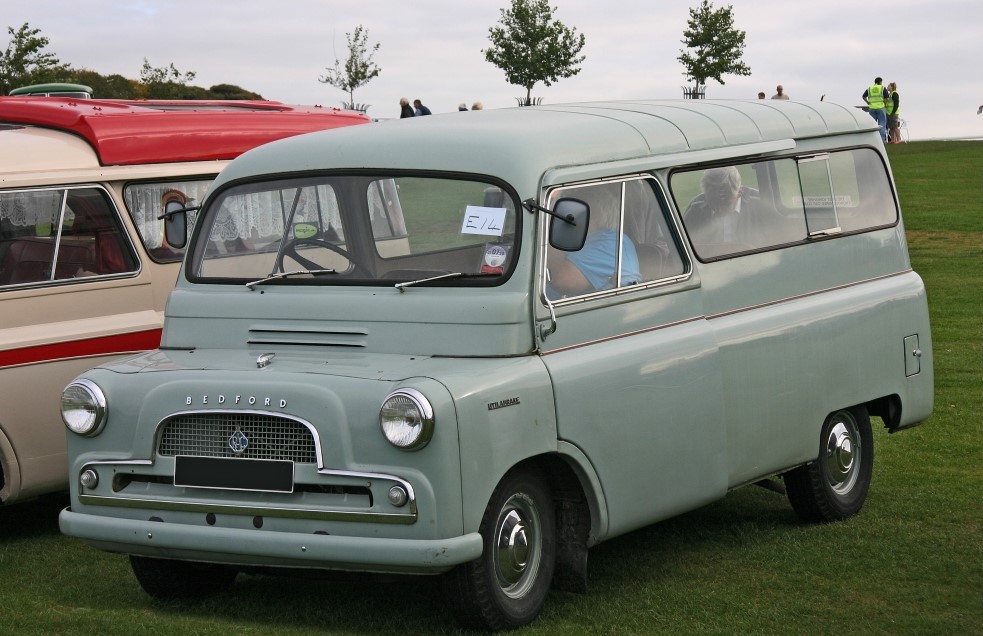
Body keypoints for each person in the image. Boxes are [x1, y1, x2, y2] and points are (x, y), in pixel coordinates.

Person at [546, 184, 640, 299]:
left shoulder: (612, 243)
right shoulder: (592, 240)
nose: (570, 218)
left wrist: (556, 236)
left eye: (576, 213)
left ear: (595, 215)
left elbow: (562, 279)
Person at [683, 166, 796, 258]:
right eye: (713, 204)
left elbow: (782, 241)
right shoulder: (696, 209)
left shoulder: (762, 205)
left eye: (724, 204)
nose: (718, 210)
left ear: (740, 191)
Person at [862, 77, 890, 142]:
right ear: (880, 82)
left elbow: (863, 96)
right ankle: (882, 141)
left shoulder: (870, 88)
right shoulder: (882, 88)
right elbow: (887, 98)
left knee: (872, 125)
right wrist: (884, 103)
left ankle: (873, 141)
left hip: (872, 108)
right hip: (880, 107)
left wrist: (868, 102)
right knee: (882, 124)